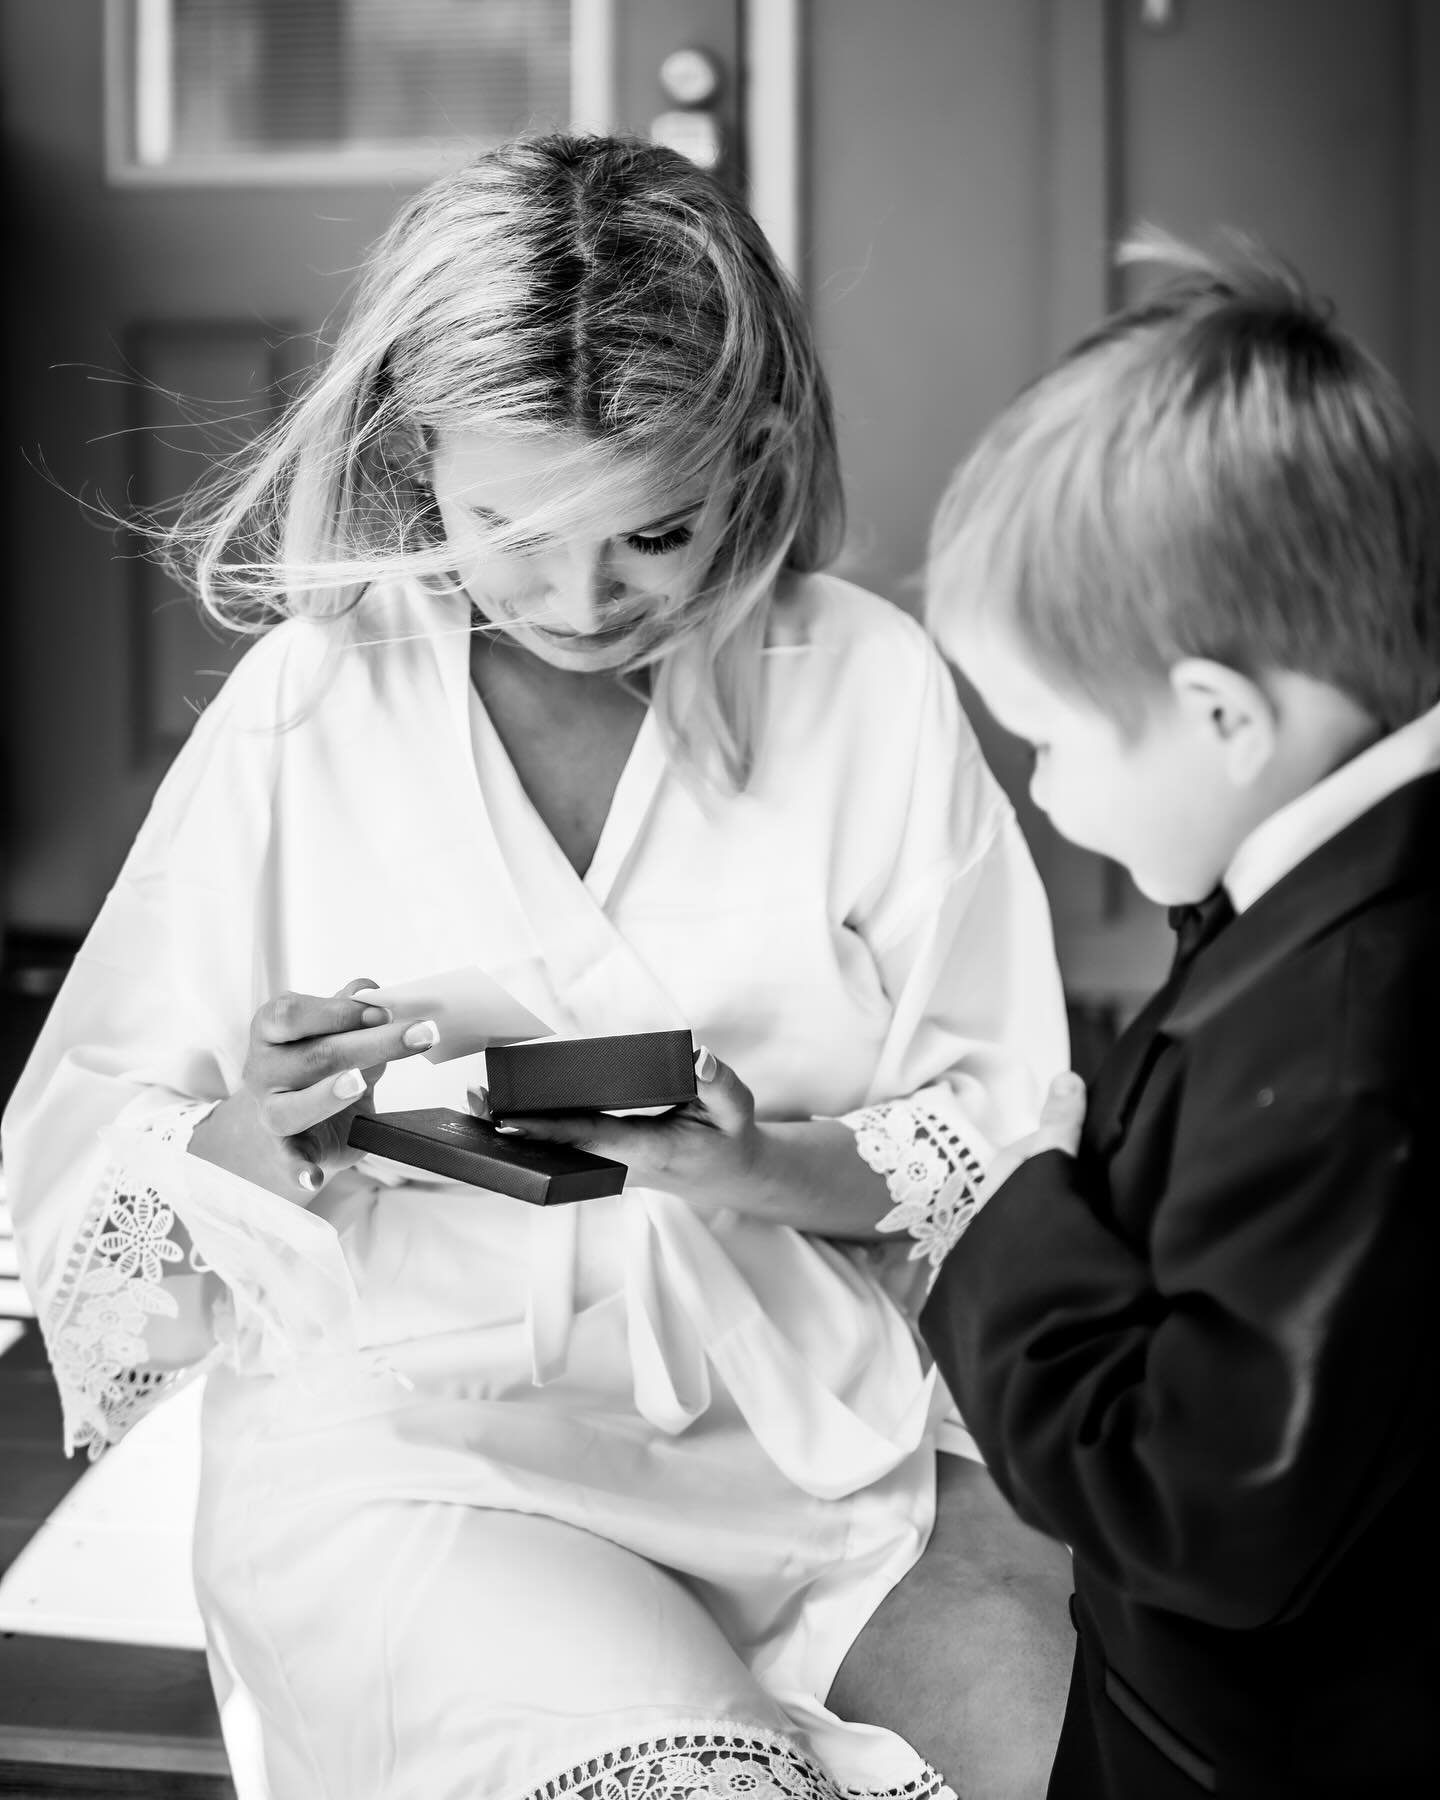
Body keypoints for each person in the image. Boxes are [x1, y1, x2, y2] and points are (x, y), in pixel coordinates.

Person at [2, 135, 1073, 1798]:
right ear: (418, 450)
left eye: (653, 534)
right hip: (422, 1457)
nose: (582, 597)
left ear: (754, 451)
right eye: (514, 527)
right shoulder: (310, 707)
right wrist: (247, 1139)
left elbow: (999, 1145)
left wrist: (757, 1165)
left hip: (804, 1450)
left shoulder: (868, 685)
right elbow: (72, 1175)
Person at [918, 230, 1440, 1799]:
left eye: (1055, 744)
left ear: (1221, 717)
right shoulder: (1329, 900)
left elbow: (1194, 1500)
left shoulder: (1345, 1047)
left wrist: (1011, 1225)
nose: (1052, 797)